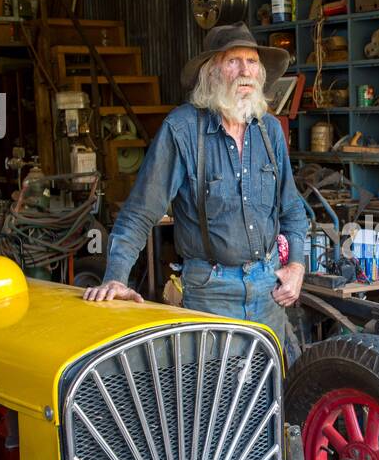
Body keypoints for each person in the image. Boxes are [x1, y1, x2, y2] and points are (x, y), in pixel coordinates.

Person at [84, 23, 307, 362]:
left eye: (251, 61)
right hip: (210, 293)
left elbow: (291, 208)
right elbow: (140, 213)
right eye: (233, 61)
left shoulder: (270, 131)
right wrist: (115, 278)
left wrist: (296, 265)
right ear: (212, 71)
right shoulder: (182, 130)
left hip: (267, 291)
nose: (245, 71)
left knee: (269, 397)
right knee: (212, 404)